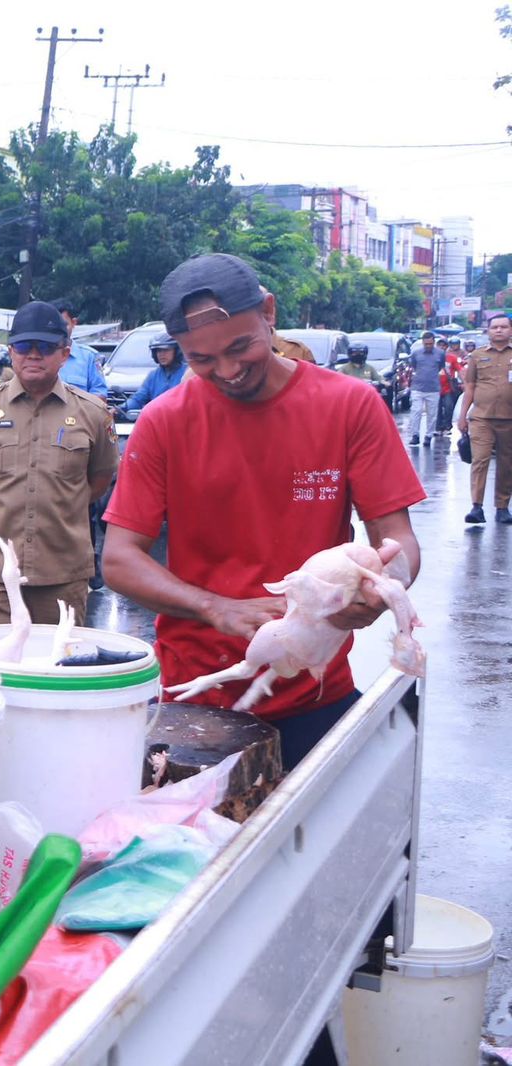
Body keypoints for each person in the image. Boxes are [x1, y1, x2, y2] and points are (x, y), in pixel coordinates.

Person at [102, 253, 424, 770]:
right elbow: (119, 559)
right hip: (196, 701)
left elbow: (398, 540)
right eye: (201, 360)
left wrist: (382, 589)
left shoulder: (349, 405)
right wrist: (215, 607)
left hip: (316, 691)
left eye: (240, 347)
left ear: (269, 313)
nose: (226, 371)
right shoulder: (164, 422)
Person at [0, 301, 119, 625]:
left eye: (45, 346)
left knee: (60, 668)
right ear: (11, 352)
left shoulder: (92, 413)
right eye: (23, 345)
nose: (33, 354)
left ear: (64, 353)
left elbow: (99, 479)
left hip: (63, 575)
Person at [456, 312, 512, 525]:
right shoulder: (477, 356)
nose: (499, 330)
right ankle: (477, 507)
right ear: (488, 331)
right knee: (480, 461)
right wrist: (462, 417)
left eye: (503, 327)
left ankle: (502, 507)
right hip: (481, 419)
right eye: (494, 327)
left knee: (507, 464)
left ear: (511, 330)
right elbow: (469, 387)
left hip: (509, 420)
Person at [117, 331, 186, 418]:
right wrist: (120, 409)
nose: (161, 354)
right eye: (158, 351)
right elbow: (138, 399)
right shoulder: (153, 376)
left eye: (166, 350)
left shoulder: (188, 373)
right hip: (157, 422)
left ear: (177, 351)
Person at [51, 301, 110, 396]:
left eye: (64, 325)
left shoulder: (89, 357)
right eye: (54, 325)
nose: (59, 330)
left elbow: (100, 396)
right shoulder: (38, 355)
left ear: (74, 323)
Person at [406, 331, 446, 446]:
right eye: (426, 344)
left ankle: (428, 436)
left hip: (433, 388)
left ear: (434, 342)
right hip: (417, 387)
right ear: (423, 343)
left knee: (432, 414)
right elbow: (414, 366)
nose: (428, 346)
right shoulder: (416, 353)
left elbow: (440, 367)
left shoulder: (440, 354)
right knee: (416, 411)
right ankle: (415, 435)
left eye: (430, 344)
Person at [438, 338, 466, 434]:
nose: (441, 347)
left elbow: (460, 370)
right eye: (439, 345)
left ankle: (447, 427)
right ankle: (438, 427)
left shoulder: (452, 358)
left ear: (446, 347)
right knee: (436, 409)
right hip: (434, 388)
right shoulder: (433, 357)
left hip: (448, 387)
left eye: (443, 346)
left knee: (449, 407)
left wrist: (464, 383)